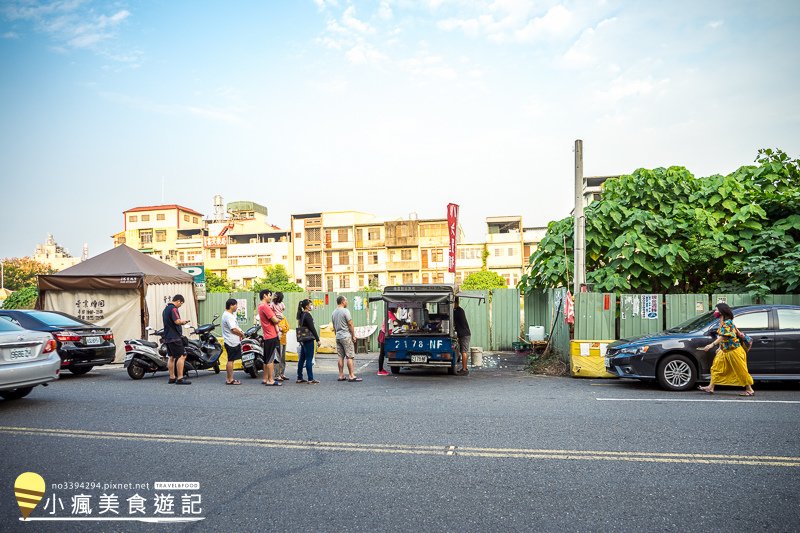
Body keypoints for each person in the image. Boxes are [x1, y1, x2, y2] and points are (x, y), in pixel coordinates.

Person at [699, 303, 755, 396]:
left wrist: (712, 345)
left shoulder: (727, 322)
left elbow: (724, 336)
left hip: (734, 351)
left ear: (722, 311)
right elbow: (725, 336)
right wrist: (720, 348)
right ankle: (710, 387)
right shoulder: (722, 322)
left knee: (740, 371)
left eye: (716, 310)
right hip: (725, 351)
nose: (715, 312)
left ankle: (750, 390)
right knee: (716, 368)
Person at [331, 295, 362, 382]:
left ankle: (341, 375)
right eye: (346, 301)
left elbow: (334, 326)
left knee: (340, 357)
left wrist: (337, 335)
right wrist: (353, 335)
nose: (347, 302)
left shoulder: (333, 312)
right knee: (349, 356)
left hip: (338, 336)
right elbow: (350, 324)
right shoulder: (345, 311)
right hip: (346, 336)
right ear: (343, 302)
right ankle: (351, 375)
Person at [163, 294, 191, 385]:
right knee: (182, 356)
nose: (180, 305)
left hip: (167, 337)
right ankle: (180, 378)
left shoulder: (165, 309)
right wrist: (184, 321)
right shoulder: (174, 309)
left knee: (171, 357)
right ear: (178, 301)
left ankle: (172, 377)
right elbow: (177, 321)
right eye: (181, 304)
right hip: (175, 337)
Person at [257, 289, 282, 387]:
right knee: (270, 359)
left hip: (266, 335)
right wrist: (279, 319)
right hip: (271, 335)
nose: (270, 297)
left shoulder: (260, 306)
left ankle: (265, 378)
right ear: (264, 295)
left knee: (266, 358)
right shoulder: (265, 307)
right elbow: (275, 320)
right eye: (269, 295)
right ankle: (271, 380)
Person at [295, 299, 320, 384]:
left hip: (303, 339)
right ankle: (310, 378)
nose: (311, 306)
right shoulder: (307, 315)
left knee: (302, 358)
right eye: (310, 304)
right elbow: (312, 328)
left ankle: (299, 377)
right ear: (306, 306)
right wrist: (318, 339)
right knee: (309, 359)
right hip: (308, 339)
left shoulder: (302, 315)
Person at [221, 298, 244, 386]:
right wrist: (242, 334)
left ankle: (229, 378)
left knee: (231, 360)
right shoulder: (228, 316)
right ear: (231, 305)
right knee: (230, 360)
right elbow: (233, 329)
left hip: (231, 340)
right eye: (235, 305)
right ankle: (230, 379)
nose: (236, 307)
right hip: (231, 341)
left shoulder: (227, 315)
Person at [271, 292, 289, 382]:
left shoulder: (282, 318)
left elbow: (287, 328)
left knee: (283, 358)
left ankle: (282, 374)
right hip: (278, 340)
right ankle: (277, 375)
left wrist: (282, 329)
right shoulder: (274, 319)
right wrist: (281, 329)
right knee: (277, 358)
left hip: (283, 339)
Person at [377, 306, 397, 376]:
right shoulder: (390, 313)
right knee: (382, 353)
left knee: (382, 353)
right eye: (396, 307)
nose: (397, 309)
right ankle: (380, 370)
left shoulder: (389, 313)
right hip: (383, 334)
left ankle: (381, 369)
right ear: (392, 308)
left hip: (383, 333)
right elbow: (396, 321)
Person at [453, 297, 471, 375]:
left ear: (456, 303)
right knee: (463, 351)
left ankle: (464, 369)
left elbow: (451, 319)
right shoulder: (458, 310)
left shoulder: (458, 312)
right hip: (463, 334)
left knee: (464, 351)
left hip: (464, 334)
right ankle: (464, 368)